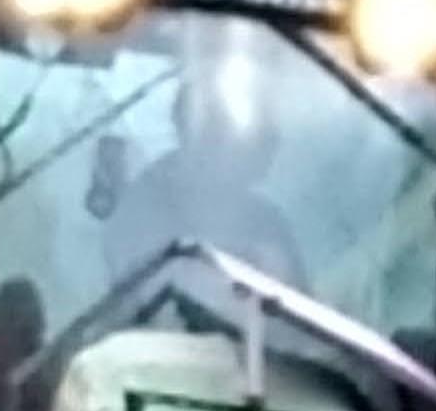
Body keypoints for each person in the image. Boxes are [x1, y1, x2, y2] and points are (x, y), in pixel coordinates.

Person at [98, 27, 312, 293]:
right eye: (256, 140)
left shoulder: (268, 224)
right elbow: (142, 301)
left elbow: (300, 319)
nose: (265, 154)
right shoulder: (144, 211)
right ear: (198, 135)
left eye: (266, 140)